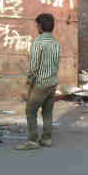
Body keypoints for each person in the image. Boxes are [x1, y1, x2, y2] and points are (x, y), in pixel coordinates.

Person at [16, 14, 61, 151]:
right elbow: (56, 64)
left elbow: (34, 66)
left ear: (40, 26)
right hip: (53, 82)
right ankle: (46, 139)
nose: (36, 27)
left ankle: (32, 141)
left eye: (37, 25)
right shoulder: (56, 43)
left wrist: (28, 84)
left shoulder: (38, 42)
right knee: (47, 111)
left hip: (40, 83)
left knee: (31, 110)